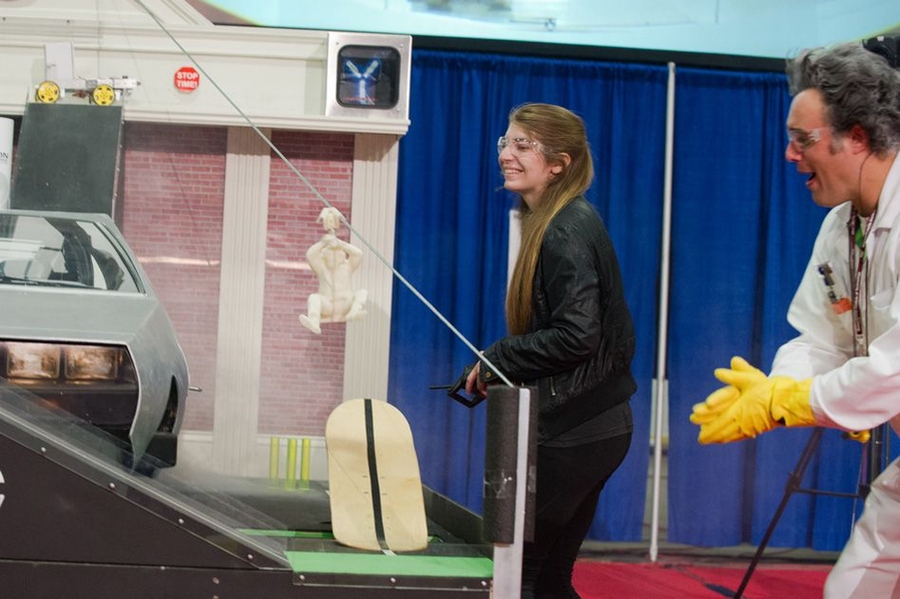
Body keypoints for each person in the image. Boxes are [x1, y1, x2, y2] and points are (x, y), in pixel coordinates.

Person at [689, 42, 900, 598]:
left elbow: (894, 370)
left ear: (857, 137)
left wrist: (791, 403)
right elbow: (820, 336)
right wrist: (780, 386)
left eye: (803, 140)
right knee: (854, 590)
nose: (789, 154)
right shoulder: (840, 226)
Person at [465, 103, 637, 598]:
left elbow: (577, 335)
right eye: (505, 142)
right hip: (594, 427)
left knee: (518, 578)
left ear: (558, 163)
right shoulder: (559, 220)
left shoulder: (564, 228)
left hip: (579, 432)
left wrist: (500, 356)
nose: (506, 154)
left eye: (522, 145)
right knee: (547, 580)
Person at [299, 207, 367, 334]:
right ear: (324, 255)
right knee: (314, 297)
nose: (332, 256)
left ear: (342, 255)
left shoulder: (347, 266)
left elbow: (358, 254)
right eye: (329, 253)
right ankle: (314, 322)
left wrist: (340, 244)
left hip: (346, 304)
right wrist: (323, 242)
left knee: (362, 292)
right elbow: (310, 255)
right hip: (329, 306)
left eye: (336, 253)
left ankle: (354, 312)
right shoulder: (322, 268)